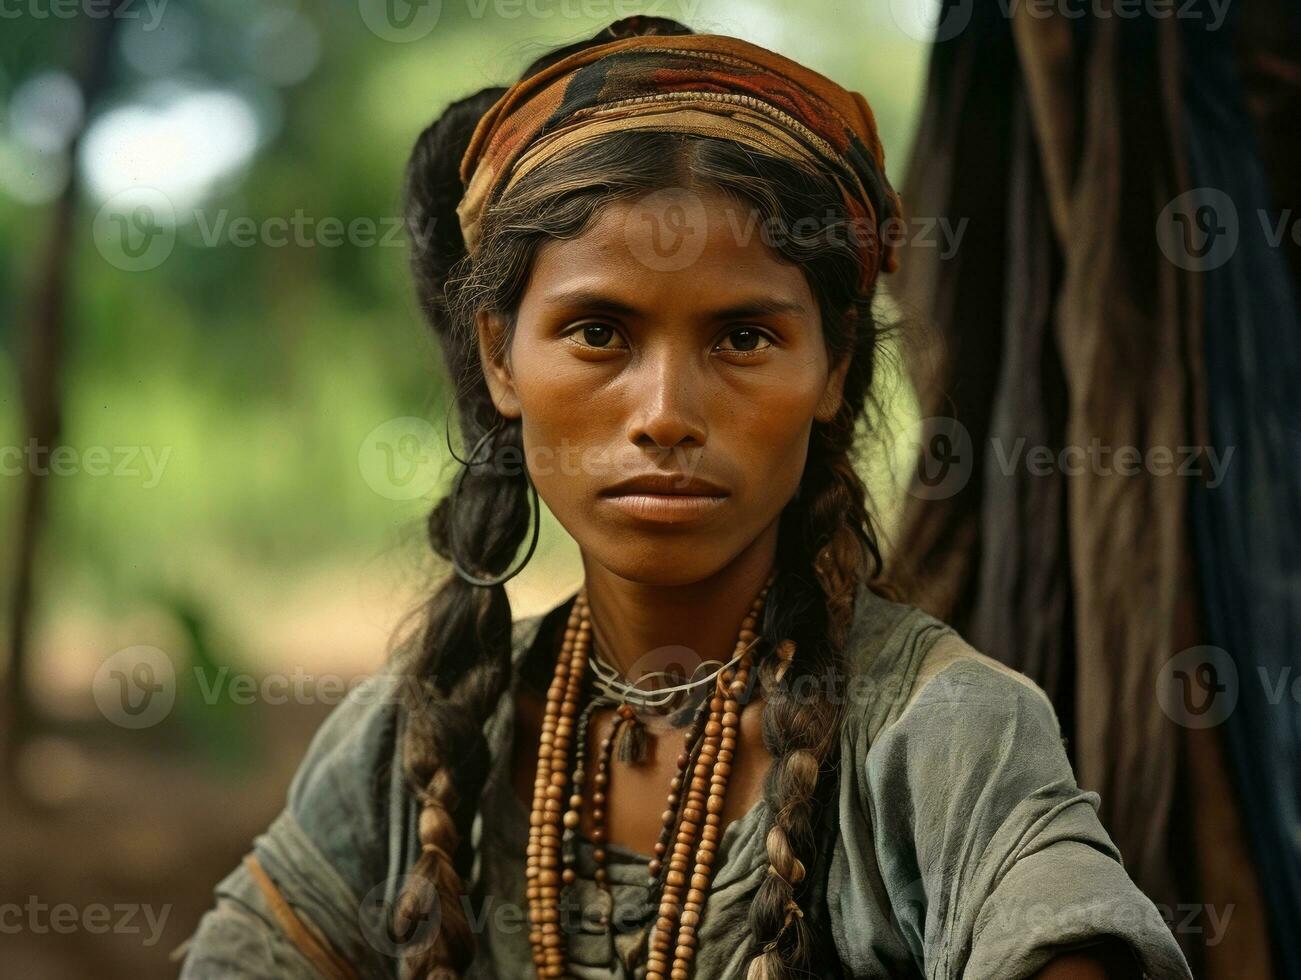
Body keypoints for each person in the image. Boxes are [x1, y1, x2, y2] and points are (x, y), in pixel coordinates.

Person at [177, 16, 1193, 980]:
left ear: (833, 365)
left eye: (743, 336)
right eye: (598, 332)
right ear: (498, 355)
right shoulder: (413, 741)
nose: (665, 412)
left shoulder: (944, 733)